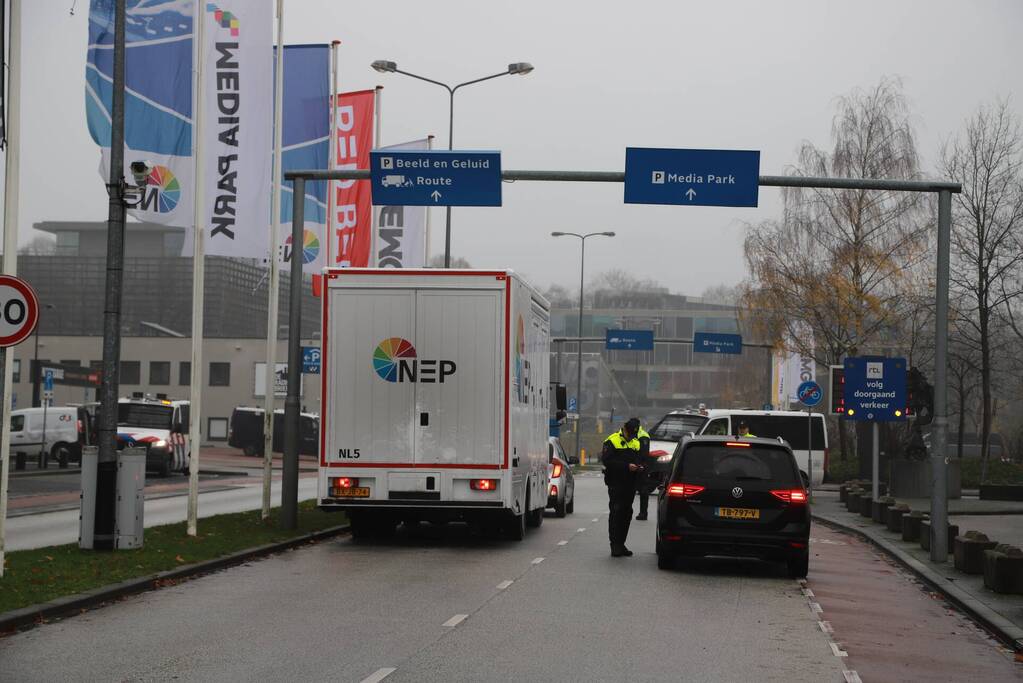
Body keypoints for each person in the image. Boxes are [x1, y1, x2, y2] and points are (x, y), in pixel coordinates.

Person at [602, 417, 643, 557]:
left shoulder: (635, 442)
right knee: (616, 513)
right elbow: (607, 461)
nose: (631, 436)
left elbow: (639, 459)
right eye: (630, 433)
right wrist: (626, 466)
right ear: (624, 429)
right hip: (615, 483)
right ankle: (614, 545)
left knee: (627, 514)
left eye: (633, 435)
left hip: (630, 484)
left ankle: (621, 543)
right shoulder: (612, 440)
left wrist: (640, 467)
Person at [634, 423, 654, 520]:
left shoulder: (643, 436)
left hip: (641, 467)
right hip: (632, 466)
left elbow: (644, 453)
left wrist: (640, 465)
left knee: (643, 491)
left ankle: (643, 513)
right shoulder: (632, 434)